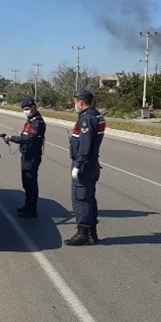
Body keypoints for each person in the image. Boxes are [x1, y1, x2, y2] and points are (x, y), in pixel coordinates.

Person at [65, 89, 106, 246]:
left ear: (81, 102)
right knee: (89, 198)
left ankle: (83, 233)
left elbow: (85, 146)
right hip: (92, 163)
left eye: (75, 102)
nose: (75, 105)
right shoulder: (97, 115)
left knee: (80, 198)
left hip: (85, 165)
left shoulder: (86, 120)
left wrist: (78, 164)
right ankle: (91, 233)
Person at [0, 97, 46, 218]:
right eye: (23, 109)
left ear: (33, 107)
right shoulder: (31, 120)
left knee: (30, 183)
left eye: (27, 109)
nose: (25, 111)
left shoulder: (37, 122)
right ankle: (28, 206)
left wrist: (11, 138)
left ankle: (31, 209)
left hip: (31, 156)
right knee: (26, 183)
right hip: (26, 154)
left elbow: (28, 138)